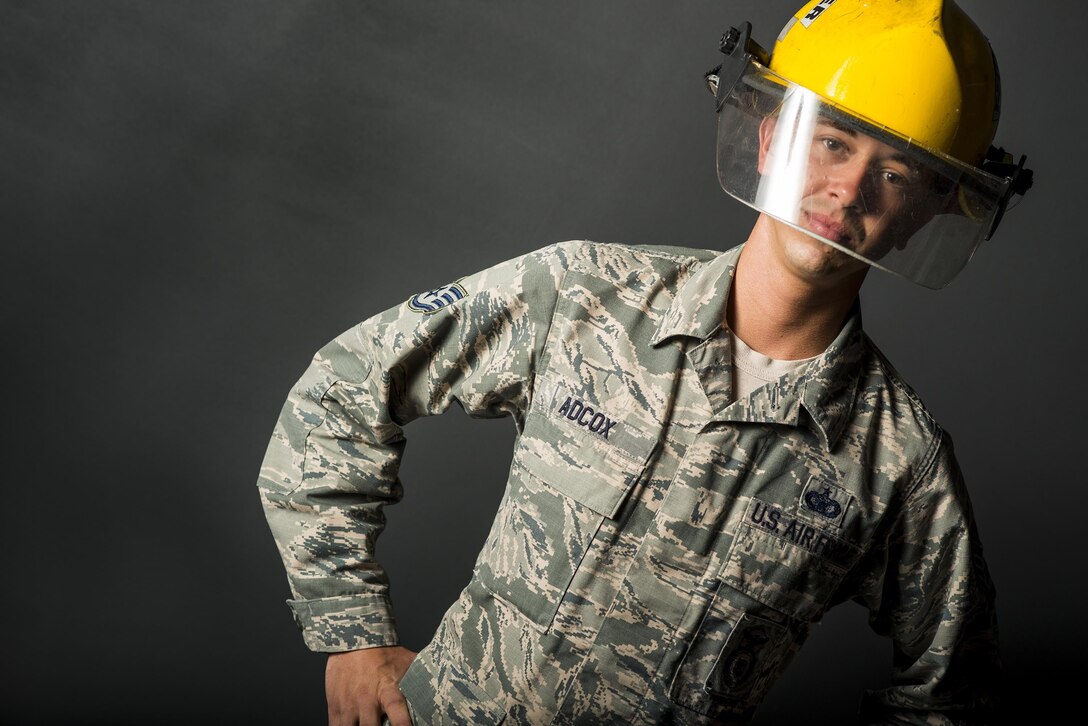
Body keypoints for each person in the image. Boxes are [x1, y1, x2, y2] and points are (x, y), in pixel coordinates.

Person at [257, 1, 1032, 723]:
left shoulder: (899, 464)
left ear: (929, 207)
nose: (848, 189)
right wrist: (351, 632)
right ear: (771, 138)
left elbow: (952, 694)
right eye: (832, 141)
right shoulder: (582, 293)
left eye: (895, 172)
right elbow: (343, 389)